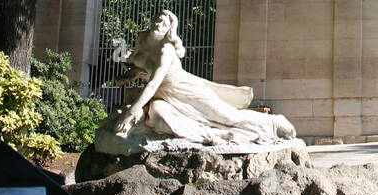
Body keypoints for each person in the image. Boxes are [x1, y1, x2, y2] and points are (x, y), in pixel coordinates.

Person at [112, 10, 296, 145]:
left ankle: (274, 123)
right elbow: (142, 66)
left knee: (227, 116)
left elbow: (152, 84)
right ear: (151, 21)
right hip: (163, 96)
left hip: (183, 89)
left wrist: (128, 115)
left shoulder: (166, 49)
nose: (158, 25)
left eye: (163, 23)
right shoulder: (142, 39)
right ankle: (213, 136)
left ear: (169, 29)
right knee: (158, 120)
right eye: (156, 21)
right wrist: (129, 75)